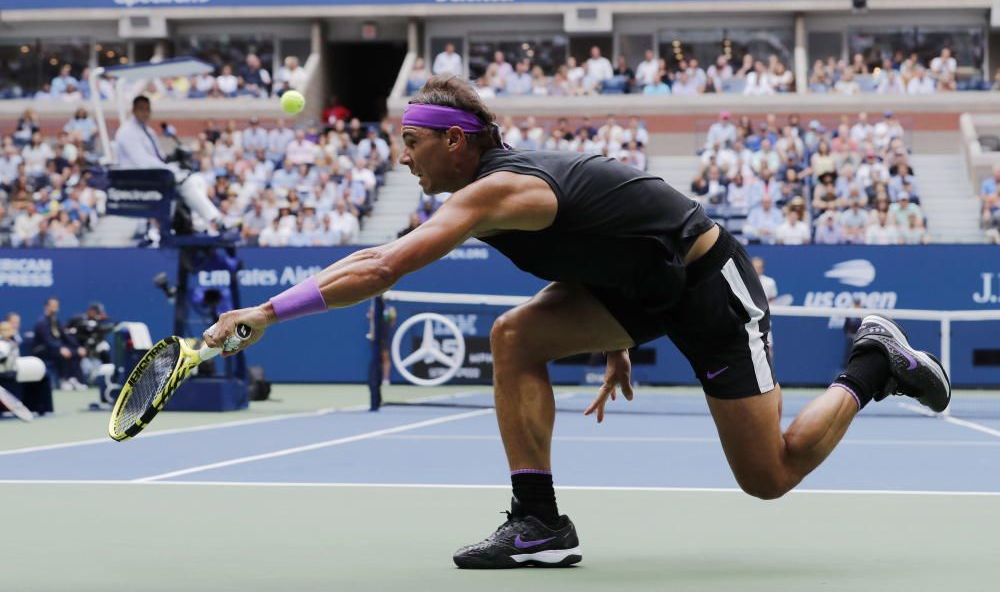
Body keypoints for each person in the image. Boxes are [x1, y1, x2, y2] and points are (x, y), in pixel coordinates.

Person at [205, 75, 951, 569]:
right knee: (514, 336)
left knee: (771, 473)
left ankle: (871, 362)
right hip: (636, 287)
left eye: (413, 140)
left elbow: (381, 268)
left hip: (707, 285)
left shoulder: (496, 192)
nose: (403, 156)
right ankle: (539, 523)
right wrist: (611, 334)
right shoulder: (485, 191)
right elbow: (591, 237)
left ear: (455, 141)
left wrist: (268, 310)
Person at [114, 95, 236, 234]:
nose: (145, 112)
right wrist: (170, 169)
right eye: (141, 109)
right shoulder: (127, 132)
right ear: (134, 110)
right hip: (139, 179)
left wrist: (174, 159)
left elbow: (159, 157)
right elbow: (142, 162)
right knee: (187, 183)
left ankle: (203, 222)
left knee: (197, 179)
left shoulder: (148, 131)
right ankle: (214, 220)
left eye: (147, 109)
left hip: (155, 174)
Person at [32, 297, 87, 390]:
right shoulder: (42, 322)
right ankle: (64, 380)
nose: (55, 307)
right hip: (43, 349)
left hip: (56, 348)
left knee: (76, 352)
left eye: (56, 305)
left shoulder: (56, 321)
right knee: (63, 353)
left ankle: (73, 379)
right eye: (52, 305)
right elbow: (48, 340)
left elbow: (65, 336)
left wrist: (78, 347)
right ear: (47, 307)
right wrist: (60, 348)